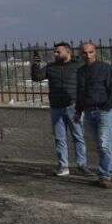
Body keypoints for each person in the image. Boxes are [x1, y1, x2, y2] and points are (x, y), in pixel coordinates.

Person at [30, 42, 86, 176]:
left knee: (78, 137)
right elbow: (37, 77)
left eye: (58, 52)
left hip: (73, 106)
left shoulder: (78, 66)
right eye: (55, 52)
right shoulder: (51, 67)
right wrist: (35, 64)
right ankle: (63, 166)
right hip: (56, 107)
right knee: (60, 139)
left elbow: (86, 82)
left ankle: (82, 165)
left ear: (68, 52)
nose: (55, 54)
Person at [74, 42, 112, 189]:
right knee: (101, 146)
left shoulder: (106, 68)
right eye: (85, 53)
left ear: (95, 52)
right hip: (89, 112)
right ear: (81, 54)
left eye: (90, 52)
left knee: (104, 145)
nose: (88, 55)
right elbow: (80, 93)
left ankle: (104, 176)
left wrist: (107, 106)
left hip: (105, 112)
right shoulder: (81, 71)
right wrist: (78, 112)